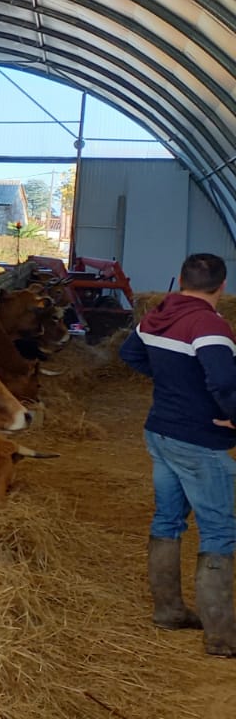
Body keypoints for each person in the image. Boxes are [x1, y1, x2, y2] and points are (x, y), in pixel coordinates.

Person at [120, 252, 236, 657]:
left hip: (160, 431)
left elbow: (130, 354)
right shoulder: (210, 325)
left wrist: (175, 383)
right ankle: (222, 637)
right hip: (199, 440)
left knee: (168, 519)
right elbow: (224, 382)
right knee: (219, 530)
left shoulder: (158, 314)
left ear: (182, 281)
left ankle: (168, 611)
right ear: (222, 286)